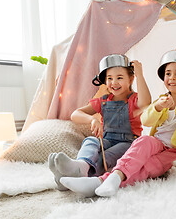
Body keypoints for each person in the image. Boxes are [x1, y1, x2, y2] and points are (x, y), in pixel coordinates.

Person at [60, 47, 176, 197]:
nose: (172, 78)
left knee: (149, 167)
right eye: (168, 74)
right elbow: (146, 121)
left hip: (174, 150)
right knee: (143, 141)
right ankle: (108, 176)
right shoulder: (162, 99)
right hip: (157, 143)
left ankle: (101, 181)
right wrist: (157, 107)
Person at [48, 54, 151, 191]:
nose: (114, 82)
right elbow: (75, 114)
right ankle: (81, 166)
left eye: (119, 78)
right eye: (110, 78)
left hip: (127, 143)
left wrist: (140, 75)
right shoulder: (103, 101)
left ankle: (71, 177)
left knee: (105, 157)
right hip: (107, 139)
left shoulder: (134, 100)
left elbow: (146, 102)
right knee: (90, 141)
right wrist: (92, 119)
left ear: (131, 79)